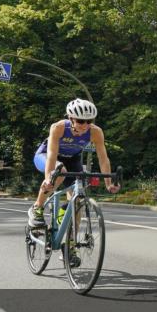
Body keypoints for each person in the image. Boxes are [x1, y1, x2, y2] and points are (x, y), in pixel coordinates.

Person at [27, 98, 120, 229]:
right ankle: (37, 208)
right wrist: (48, 179)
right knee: (61, 172)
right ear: (71, 118)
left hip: (72, 159)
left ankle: (71, 241)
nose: (85, 125)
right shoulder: (58, 127)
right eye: (81, 121)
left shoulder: (96, 132)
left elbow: (103, 158)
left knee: (77, 198)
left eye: (89, 121)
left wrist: (109, 184)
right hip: (46, 156)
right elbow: (52, 155)